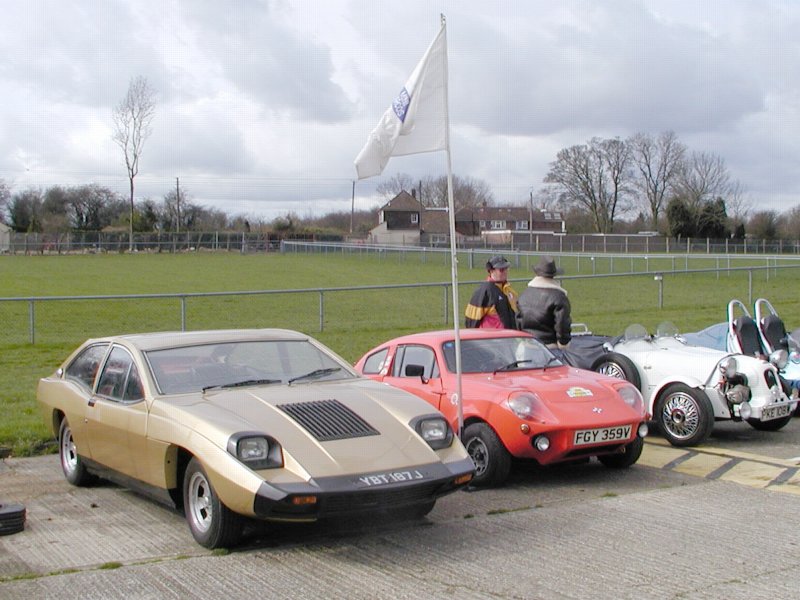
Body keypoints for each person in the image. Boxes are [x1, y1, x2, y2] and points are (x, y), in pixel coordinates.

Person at [518, 256, 571, 348]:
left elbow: (518, 320)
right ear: (554, 275)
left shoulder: (524, 294)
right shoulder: (559, 297)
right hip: (548, 348)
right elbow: (562, 324)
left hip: (526, 344)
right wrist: (563, 344)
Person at [465, 255, 519, 329]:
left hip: (509, 337)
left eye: (506, 269)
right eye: (501, 270)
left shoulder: (509, 290)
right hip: (491, 339)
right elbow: (471, 321)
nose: (505, 272)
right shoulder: (484, 291)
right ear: (491, 271)